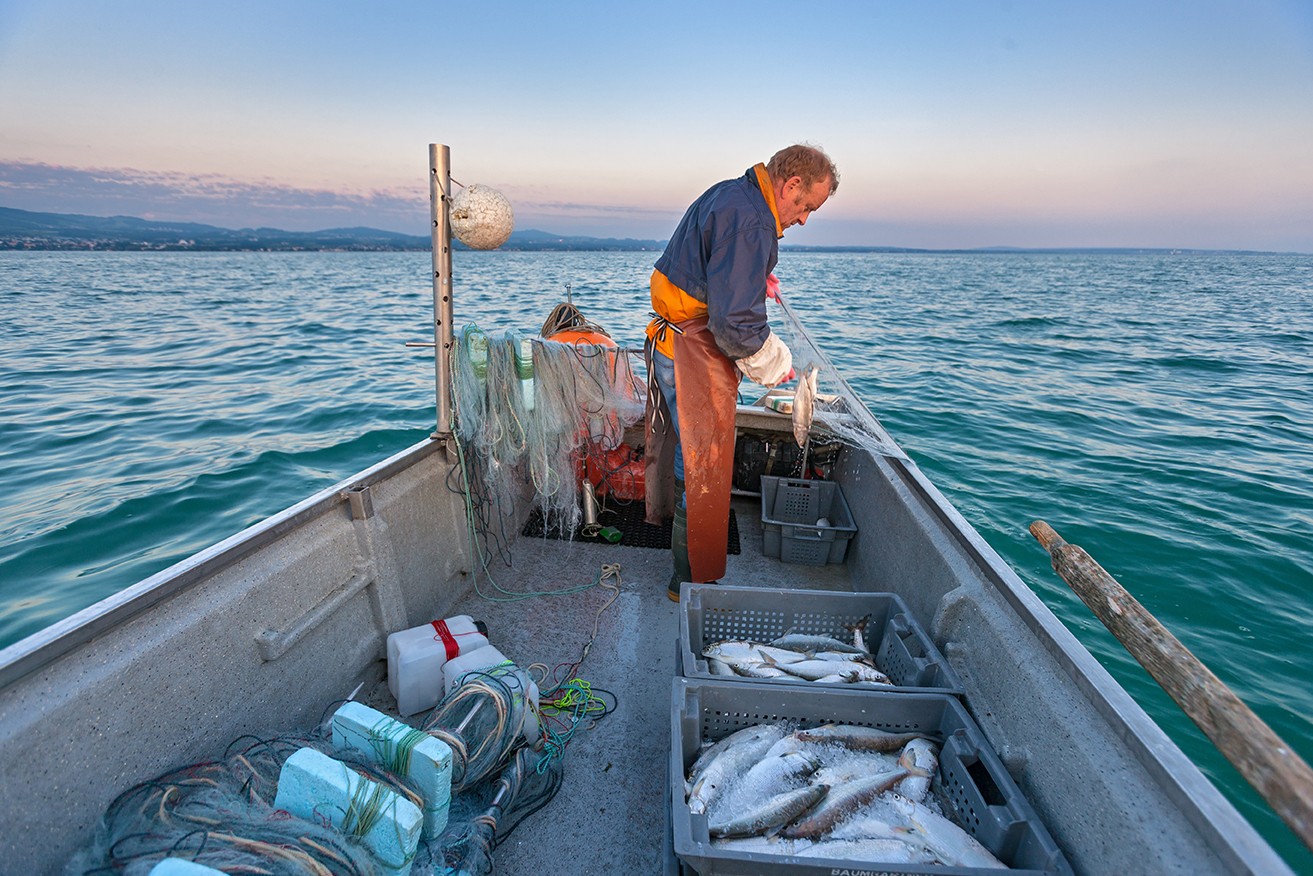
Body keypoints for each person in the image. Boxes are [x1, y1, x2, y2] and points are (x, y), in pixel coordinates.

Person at [643, 144, 839, 601]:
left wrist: (754, 276)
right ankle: (689, 582)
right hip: (694, 350)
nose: (805, 219)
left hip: (670, 342)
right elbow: (735, 326)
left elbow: (711, 265)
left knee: (686, 452)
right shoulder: (753, 221)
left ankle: (682, 561)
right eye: (807, 206)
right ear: (791, 185)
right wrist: (776, 363)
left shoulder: (731, 194)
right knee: (704, 465)